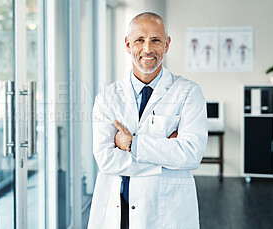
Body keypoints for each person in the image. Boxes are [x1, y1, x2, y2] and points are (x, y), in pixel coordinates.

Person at [87, 12, 208, 229]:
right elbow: (105, 160)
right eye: (139, 40)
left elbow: (191, 155)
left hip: (166, 212)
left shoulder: (189, 93)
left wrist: (132, 144)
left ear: (167, 44)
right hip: (118, 208)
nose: (148, 49)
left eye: (156, 40)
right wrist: (166, 155)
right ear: (127, 44)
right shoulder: (107, 97)